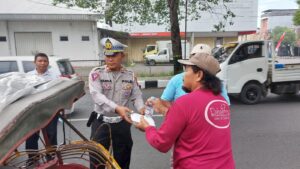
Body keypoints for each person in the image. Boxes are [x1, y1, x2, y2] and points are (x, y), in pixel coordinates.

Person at [135, 53, 235, 169]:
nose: (183, 76)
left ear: (199, 75)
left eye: (186, 71)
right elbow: (193, 125)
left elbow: (161, 143)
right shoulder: (222, 102)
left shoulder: (184, 103)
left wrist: (148, 128)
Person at [88, 37, 145, 169]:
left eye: (114, 55)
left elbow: (136, 96)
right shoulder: (97, 73)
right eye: (107, 56)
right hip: (101, 123)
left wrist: (141, 108)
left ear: (122, 56)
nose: (110, 59)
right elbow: (97, 96)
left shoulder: (129, 75)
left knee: (122, 160)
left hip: (121, 123)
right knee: (97, 161)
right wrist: (117, 108)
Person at [160, 44, 230, 110]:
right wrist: (174, 112)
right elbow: (165, 99)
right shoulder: (176, 79)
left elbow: (225, 106)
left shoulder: (217, 84)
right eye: (195, 57)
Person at [25, 53, 59, 163]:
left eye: (45, 61)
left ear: (48, 63)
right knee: (31, 136)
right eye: (40, 61)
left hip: (50, 111)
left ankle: (51, 157)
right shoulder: (28, 76)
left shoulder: (54, 76)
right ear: (34, 62)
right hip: (32, 112)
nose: (42, 63)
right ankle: (32, 159)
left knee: (51, 135)